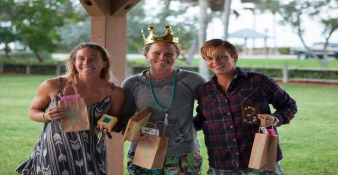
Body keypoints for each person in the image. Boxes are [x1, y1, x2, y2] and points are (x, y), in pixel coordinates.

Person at [15, 43, 125, 175]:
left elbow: (115, 121)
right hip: (55, 152)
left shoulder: (115, 93)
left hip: (91, 154)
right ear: (74, 62)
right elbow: (32, 111)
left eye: (93, 58)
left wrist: (109, 125)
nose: (86, 62)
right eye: (81, 58)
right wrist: (46, 116)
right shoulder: (52, 85)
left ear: (104, 63)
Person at [194, 39, 297, 175]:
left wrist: (275, 119)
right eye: (209, 58)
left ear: (235, 57)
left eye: (222, 56)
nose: (216, 61)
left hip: (262, 160)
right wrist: (172, 124)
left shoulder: (259, 81)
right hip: (222, 164)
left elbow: (289, 105)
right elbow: (202, 121)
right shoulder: (204, 91)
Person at [122, 25, 206, 174]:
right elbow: (125, 117)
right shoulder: (132, 84)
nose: (162, 57)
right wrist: (130, 133)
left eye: (169, 54)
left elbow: (210, 111)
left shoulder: (193, 80)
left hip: (184, 153)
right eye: (157, 53)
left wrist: (185, 128)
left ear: (176, 55)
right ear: (146, 54)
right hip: (144, 150)